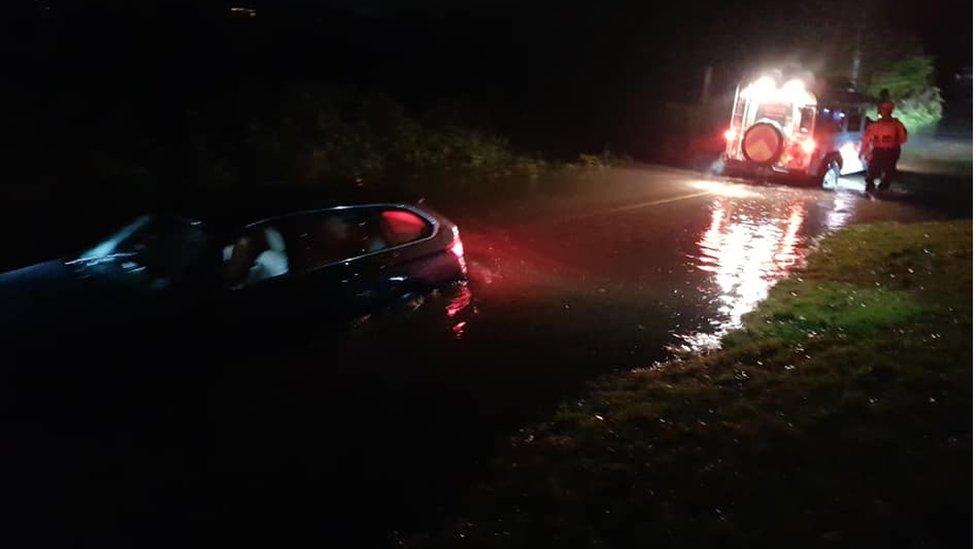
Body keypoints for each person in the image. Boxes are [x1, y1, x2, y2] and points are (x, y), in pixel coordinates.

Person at [861, 100, 908, 192]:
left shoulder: (897, 125)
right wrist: (863, 151)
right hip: (878, 150)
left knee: (888, 171)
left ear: (891, 111)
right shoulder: (874, 125)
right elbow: (866, 139)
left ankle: (883, 188)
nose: (885, 111)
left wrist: (892, 142)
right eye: (884, 109)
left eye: (887, 109)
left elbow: (903, 139)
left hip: (891, 151)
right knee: (873, 170)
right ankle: (871, 187)